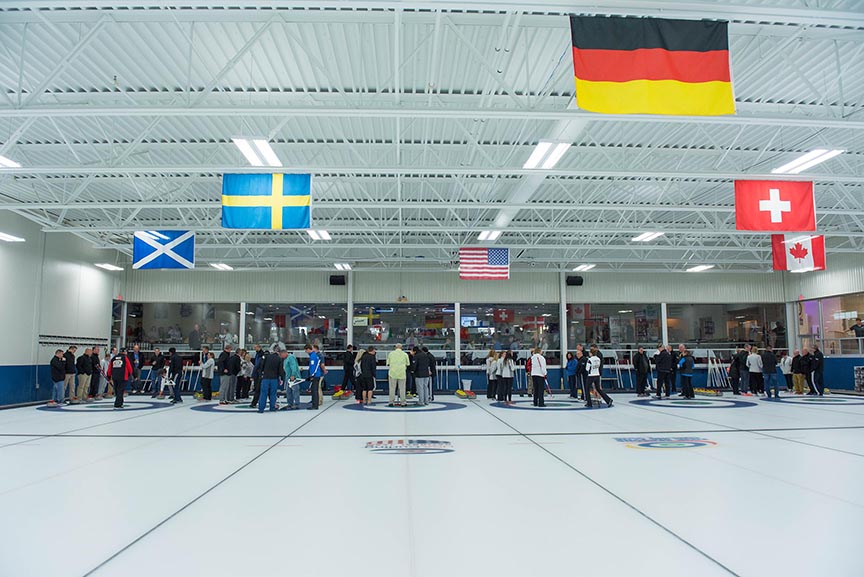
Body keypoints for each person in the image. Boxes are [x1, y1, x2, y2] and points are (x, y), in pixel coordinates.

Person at [258, 344, 287, 413]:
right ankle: (272, 407)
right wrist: (282, 378)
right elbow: (281, 370)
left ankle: (261, 409)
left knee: (263, 393)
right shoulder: (279, 359)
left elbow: (261, 366)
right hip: (274, 378)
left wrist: (260, 375)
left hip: (265, 378)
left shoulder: (267, 357)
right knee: (273, 394)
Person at [306, 344, 325, 410]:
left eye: (306, 350)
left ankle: (315, 405)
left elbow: (313, 367)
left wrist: (312, 375)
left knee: (314, 390)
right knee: (315, 390)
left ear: (308, 349)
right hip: (316, 375)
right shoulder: (315, 355)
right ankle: (315, 404)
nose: (306, 352)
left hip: (315, 375)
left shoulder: (313, 356)